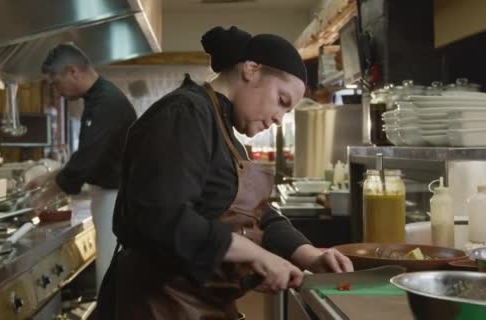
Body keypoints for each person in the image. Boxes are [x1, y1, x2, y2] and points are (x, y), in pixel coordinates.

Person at [96, 26, 353, 320]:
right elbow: (161, 216)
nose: (279, 119)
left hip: (199, 303)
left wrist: (309, 255)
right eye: (281, 101)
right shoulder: (185, 113)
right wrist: (254, 254)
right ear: (251, 69)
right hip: (157, 305)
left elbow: (261, 215)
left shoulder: (225, 131)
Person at [26, 43, 137, 291]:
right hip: (110, 198)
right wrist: (49, 177)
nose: (56, 91)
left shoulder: (106, 102)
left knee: (111, 281)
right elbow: (89, 157)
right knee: (110, 277)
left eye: (56, 83)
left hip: (116, 200)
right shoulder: (98, 98)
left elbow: (86, 159)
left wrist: (43, 198)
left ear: (73, 71)